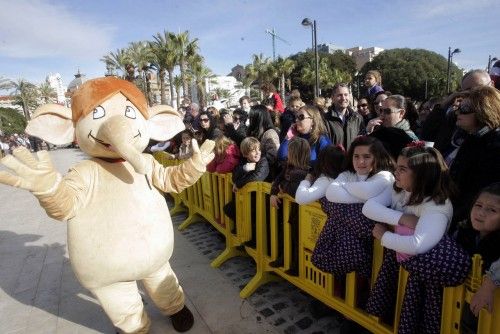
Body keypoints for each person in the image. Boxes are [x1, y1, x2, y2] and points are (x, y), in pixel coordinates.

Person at [363, 144, 471, 334]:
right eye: (397, 167)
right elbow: (369, 207)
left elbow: (417, 245)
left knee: (416, 318)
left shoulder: (437, 205)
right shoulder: (399, 189)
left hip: (423, 279)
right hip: (397, 266)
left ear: (423, 174)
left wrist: (384, 235)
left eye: (402, 169)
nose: (395, 172)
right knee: (392, 308)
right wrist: (402, 218)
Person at [449, 86, 500, 233]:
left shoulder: (494, 145)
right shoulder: (473, 138)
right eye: (460, 106)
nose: (458, 112)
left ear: (483, 110)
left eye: (465, 108)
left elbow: (482, 189)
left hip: (475, 224)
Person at [454, 183, 500, 331]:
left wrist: (489, 284)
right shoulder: (462, 232)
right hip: (457, 309)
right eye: (478, 205)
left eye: (492, 210)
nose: (481, 213)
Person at [269, 137, 310, 276]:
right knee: (284, 234)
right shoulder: (288, 166)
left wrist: (283, 187)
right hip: (287, 208)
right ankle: (283, 258)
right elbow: (277, 180)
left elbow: (293, 189)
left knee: (297, 238)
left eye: (290, 152)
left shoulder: (305, 172)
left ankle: (297, 266)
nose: (287, 154)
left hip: (300, 211)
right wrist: (274, 193)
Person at [223, 137, 270, 242]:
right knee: (229, 209)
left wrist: (239, 184)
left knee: (256, 219)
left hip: (261, 200)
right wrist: (244, 169)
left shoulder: (263, 161)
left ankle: (255, 240)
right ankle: (242, 230)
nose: (257, 153)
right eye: (253, 150)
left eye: (259, 149)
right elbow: (234, 176)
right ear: (245, 154)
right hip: (247, 199)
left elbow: (257, 177)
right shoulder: (243, 162)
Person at [323, 83, 364, 150]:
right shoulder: (325, 119)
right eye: (339, 95)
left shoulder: (358, 118)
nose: (343, 98)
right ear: (333, 98)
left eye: (346, 95)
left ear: (349, 96)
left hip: (353, 159)